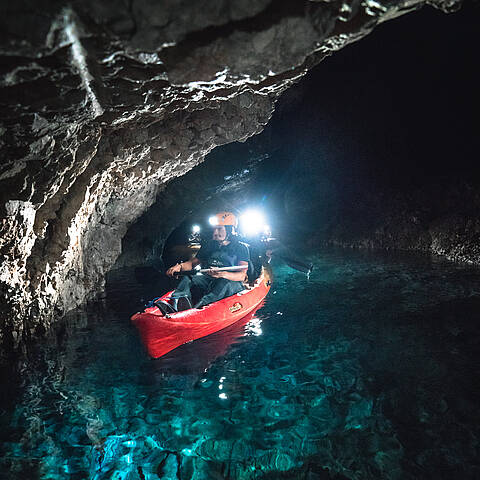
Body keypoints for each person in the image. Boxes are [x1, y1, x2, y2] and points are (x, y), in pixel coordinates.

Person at [166, 212, 250, 310]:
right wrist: (179, 267)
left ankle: (202, 306)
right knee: (188, 278)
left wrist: (223, 274)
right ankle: (178, 300)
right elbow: (192, 263)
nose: (215, 233)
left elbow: (242, 275)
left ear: (230, 230)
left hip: (230, 282)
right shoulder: (209, 245)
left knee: (223, 284)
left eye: (219, 229)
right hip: (209, 278)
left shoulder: (241, 248)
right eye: (214, 229)